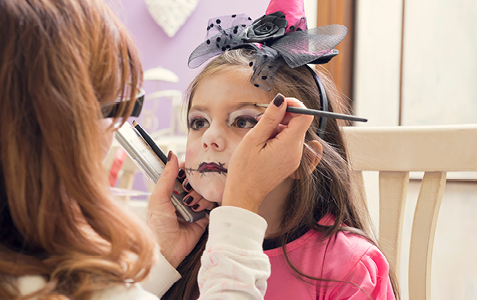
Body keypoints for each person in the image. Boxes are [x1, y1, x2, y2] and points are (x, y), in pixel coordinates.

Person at [0, 0, 314, 299]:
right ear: (54, 131)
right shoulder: (69, 283)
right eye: (115, 109)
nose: (114, 132)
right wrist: (240, 216)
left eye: (245, 122)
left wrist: (158, 262)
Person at [145, 1, 401, 299]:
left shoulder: (348, 267)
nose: (210, 138)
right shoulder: (186, 250)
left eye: (242, 121)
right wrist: (161, 262)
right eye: (198, 122)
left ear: (305, 158)